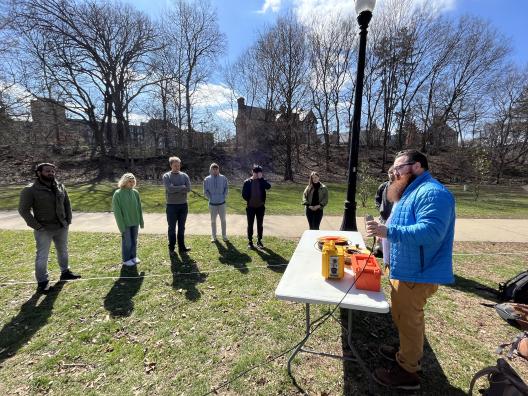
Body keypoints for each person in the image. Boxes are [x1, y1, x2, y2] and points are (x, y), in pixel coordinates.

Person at [366, 149, 455, 391]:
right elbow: (403, 224)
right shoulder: (410, 192)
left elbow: (431, 232)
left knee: (409, 319)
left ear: (417, 167)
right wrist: (383, 228)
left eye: (399, 168)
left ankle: (408, 372)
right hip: (402, 268)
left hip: (417, 272)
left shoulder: (433, 193)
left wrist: (388, 232)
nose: (394, 173)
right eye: (392, 169)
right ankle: (406, 351)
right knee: (402, 316)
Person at [18, 163, 81, 293]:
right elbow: (23, 210)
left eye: (53, 171)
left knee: (63, 251)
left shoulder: (60, 186)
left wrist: (68, 220)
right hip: (44, 229)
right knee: (42, 256)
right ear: (39, 173)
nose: (51, 173)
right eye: (47, 171)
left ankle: (65, 272)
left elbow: (67, 204)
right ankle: (42, 282)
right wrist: (37, 226)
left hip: (61, 226)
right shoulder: (30, 190)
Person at [112, 173, 144, 266]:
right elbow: (117, 212)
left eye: (133, 181)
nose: (132, 183)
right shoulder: (118, 194)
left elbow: (139, 208)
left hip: (135, 222)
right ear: (124, 182)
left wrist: (141, 221)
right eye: (129, 181)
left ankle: (133, 257)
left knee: (134, 240)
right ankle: (126, 259)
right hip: (125, 223)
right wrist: (121, 226)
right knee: (127, 242)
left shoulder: (135, 193)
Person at [163, 156, 191, 254]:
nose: (177, 167)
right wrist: (181, 187)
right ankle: (171, 248)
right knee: (172, 228)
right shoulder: (166, 176)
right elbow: (169, 189)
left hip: (183, 205)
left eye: (178, 165)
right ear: (171, 165)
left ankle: (182, 247)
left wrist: (176, 188)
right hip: (171, 206)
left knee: (182, 227)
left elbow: (188, 189)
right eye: (175, 165)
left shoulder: (185, 176)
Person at [241, 165, 271, 249]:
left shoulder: (262, 181)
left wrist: (261, 179)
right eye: (255, 172)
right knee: (250, 224)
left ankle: (259, 241)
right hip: (250, 207)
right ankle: (250, 242)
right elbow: (243, 194)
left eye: (258, 173)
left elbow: (268, 186)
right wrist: (249, 200)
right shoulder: (247, 182)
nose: (256, 174)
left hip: (260, 207)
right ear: (252, 172)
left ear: (261, 173)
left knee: (260, 224)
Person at [203, 163, 229, 242]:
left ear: (218, 169)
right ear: (210, 170)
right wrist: (210, 197)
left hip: (222, 203)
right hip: (212, 204)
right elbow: (205, 191)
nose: (215, 171)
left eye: (216, 169)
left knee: (223, 220)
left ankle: (224, 236)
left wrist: (223, 196)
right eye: (213, 169)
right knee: (213, 221)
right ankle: (214, 236)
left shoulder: (223, 178)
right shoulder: (206, 179)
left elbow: (226, 188)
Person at [373, 166, 395, 257]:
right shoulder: (383, 186)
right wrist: (380, 208)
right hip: (383, 217)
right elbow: (377, 199)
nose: (391, 175)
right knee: (380, 236)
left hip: (393, 217)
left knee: (390, 236)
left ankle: (388, 253)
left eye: (393, 173)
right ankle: (380, 251)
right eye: (390, 173)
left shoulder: (401, 187)